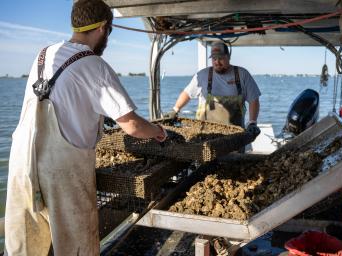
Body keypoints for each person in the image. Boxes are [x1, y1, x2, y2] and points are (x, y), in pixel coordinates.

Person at [4, 0, 167, 255]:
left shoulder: (43, 54)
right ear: (103, 28)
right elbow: (133, 125)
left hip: (23, 162)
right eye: (109, 32)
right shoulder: (94, 65)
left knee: (26, 244)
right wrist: (158, 131)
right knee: (75, 245)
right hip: (63, 172)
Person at [166, 41, 261, 134]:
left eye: (220, 58)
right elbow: (187, 93)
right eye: (214, 58)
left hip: (235, 135)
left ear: (228, 57)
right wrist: (175, 109)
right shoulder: (202, 75)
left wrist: (252, 122)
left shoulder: (242, 74)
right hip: (204, 134)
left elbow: (254, 100)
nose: (217, 62)